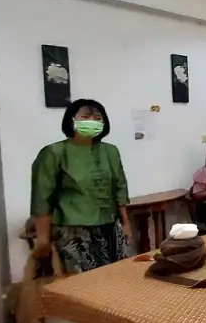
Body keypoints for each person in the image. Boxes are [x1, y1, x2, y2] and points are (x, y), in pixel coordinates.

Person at [29, 99, 133, 273]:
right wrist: (43, 238)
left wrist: (126, 224)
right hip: (72, 230)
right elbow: (42, 198)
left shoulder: (111, 151)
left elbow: (120, 188)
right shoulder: (54, 152)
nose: (92, 122)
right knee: (82, 282)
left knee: (116, 276)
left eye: (98, 118)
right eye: (85, 117)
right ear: (71, 120)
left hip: (109, 227)